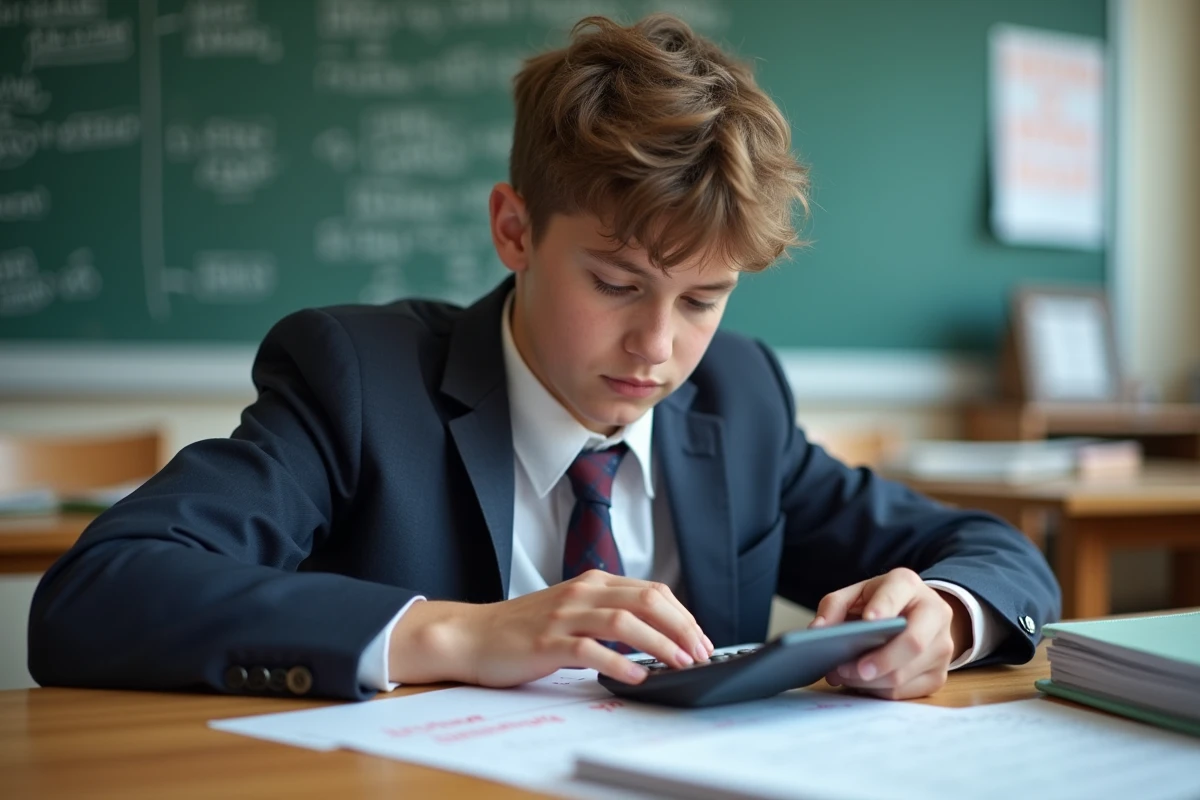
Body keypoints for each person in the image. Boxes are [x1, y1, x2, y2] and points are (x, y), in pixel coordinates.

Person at [28, 15, 1058, 702]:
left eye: (703, 299)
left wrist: (947, 615)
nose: (659, 347)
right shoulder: (356, 379)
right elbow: (97, 593)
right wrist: (455, 635)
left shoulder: (738, 397)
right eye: (615, 283)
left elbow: (990, 549)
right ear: (514, 230)